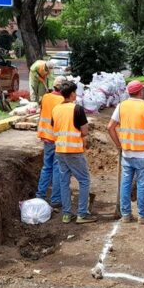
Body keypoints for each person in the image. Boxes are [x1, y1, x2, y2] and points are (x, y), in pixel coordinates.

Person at [107, 80, 144, 224]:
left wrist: (119, 145)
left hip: (127, 153)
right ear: (141, 92)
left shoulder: (121, 106)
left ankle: (126, 215)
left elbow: (110, 127)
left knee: (125, 183)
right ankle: (143, 216)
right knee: (142, 184)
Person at [53, 81, 96, 224]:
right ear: (72, 94)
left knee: (64, 181)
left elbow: (55, 128)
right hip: (74, 151)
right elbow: (84, 131)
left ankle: (67, 214)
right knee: (84, 181)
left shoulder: (56, 109)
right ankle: (82, 214)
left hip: (60, 150)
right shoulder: (77, 109)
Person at [35, 75, 65, 209]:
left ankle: (40, 195)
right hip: (58, 138)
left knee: (46, 167)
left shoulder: (46, 97)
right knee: (57, 168)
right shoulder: (63, 100)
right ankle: (56, 199)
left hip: (46, 137)